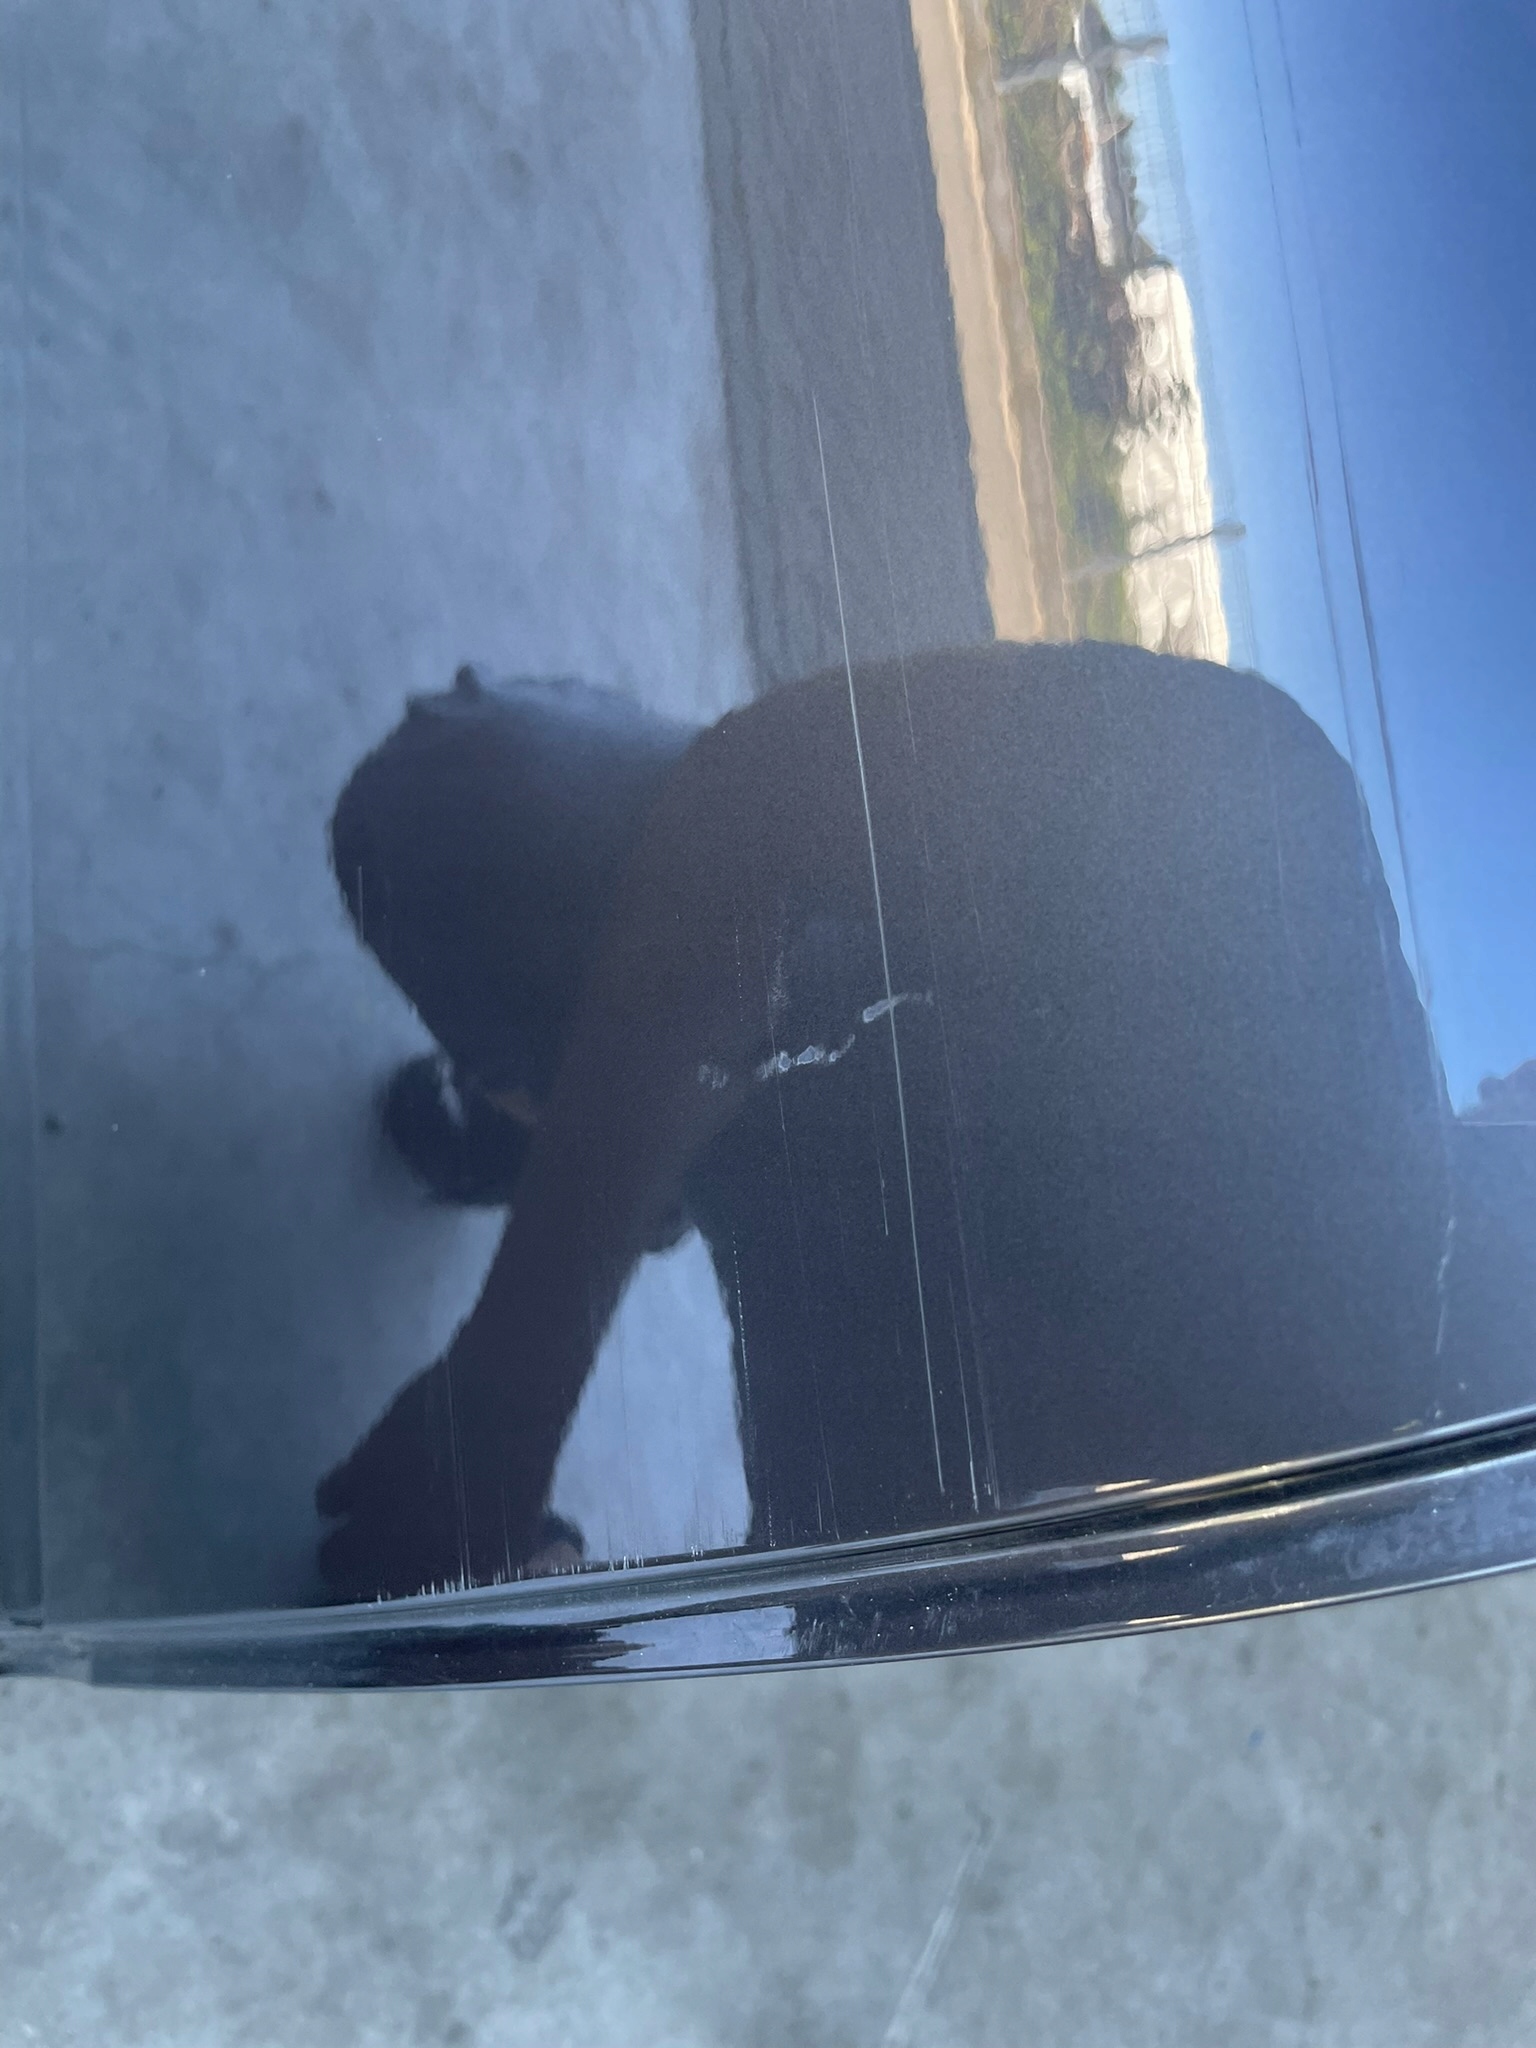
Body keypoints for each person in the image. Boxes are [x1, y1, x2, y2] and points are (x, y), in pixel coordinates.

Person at [317, 640, 1452, 1601]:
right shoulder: (1288, 868)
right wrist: (510, 1383)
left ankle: (599, 1133)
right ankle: (581, 1136)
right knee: (447, 798)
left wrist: (530, 1582)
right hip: (800, 969)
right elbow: (760, 798)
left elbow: (807, 1676)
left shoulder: (1276, 1605)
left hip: (829, 1267)